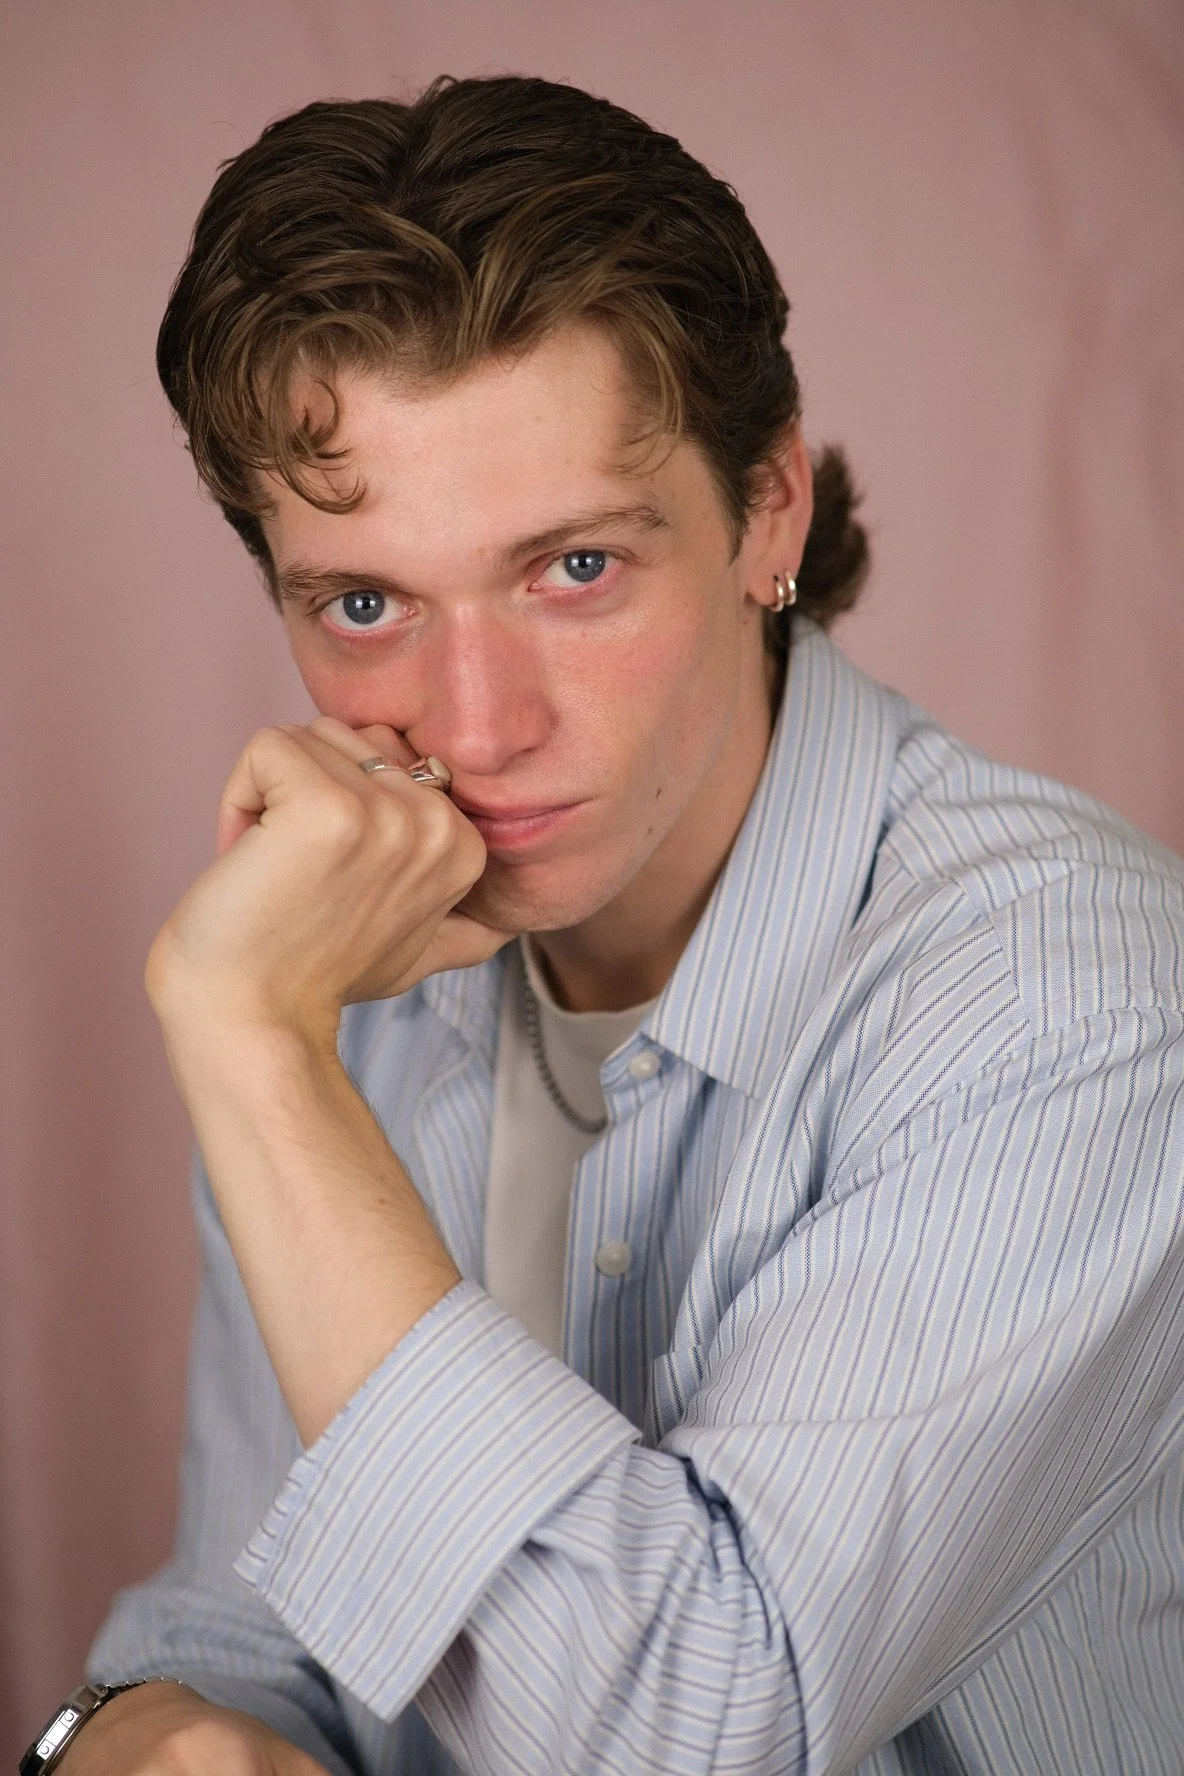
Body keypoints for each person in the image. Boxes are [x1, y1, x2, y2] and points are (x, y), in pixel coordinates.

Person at [38, 73, 1184, 1776]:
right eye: (366, 604)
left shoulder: (1066, 997)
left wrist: (249, 1050)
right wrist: (141, 1742)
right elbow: (242, 1631)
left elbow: (686, 1728)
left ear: (767, 512)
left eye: (574, 569)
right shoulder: (321, 975)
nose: (475, 725)